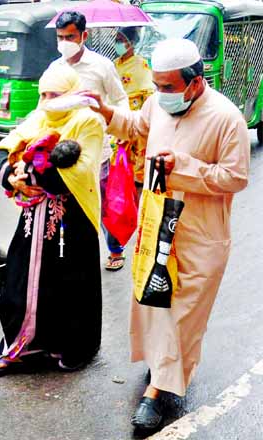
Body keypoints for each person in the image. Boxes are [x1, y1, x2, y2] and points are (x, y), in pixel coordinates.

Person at [83, 38, 250, 429]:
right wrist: (108, 112)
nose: (160, 94)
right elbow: (137, 126)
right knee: (154, 303)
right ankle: (162, 368)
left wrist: (184, 167)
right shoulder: (158, 103)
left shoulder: (226, 118)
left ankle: (156, 393)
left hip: (200, 235)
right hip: (157, 223)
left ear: (195, 82)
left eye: (169, 86)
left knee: (183, 316)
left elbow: (236, 177)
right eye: (157, 85)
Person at [0, 63, 104, 376]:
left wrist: (32, 172)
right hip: (33, 216)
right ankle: (21, 345)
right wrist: (12, 174)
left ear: (71, 93)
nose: (49, 100)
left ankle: (75, 348)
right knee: (18, 280)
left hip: (72, 219)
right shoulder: (39, 116)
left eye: (56, 94)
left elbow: (78, 171)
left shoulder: (88, 121)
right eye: (44, 93)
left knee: (71, 284)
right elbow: (5, 147)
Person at [53, 11, 129, 271]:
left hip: (99, 149)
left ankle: (115, 248)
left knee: (104, 202)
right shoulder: (55, 68)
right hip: (67, 151)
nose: (64, 42)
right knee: (73, 206)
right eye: (60, 37)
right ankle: (77, 255)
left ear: (84, 35)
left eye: (70, 36)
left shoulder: (101, 66)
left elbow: (120, 100)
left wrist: (117, 130)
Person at [112, 26, 155, 186]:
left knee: (135, 163)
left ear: (131, 43)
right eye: (116, 40)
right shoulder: (114, 64)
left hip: (136, 117)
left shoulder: (141, 65)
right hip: (117, 114)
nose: (118, 44)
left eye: (121, 40)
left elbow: (149, 95)